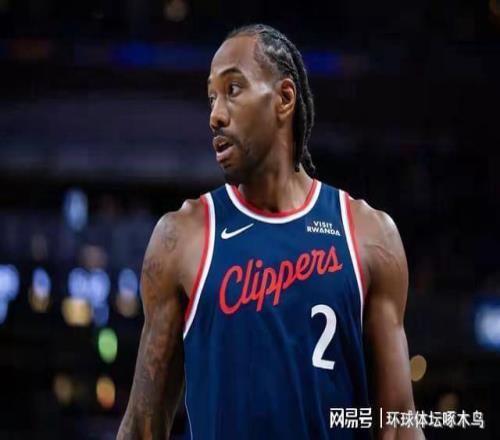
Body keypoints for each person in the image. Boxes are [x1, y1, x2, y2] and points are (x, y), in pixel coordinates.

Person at [117, 24, 424, 440]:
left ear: (284, 98)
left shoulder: (369, 234)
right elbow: (142, 427)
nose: (215, 115)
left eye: (233, 89)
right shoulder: (182, 237)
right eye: (211, 97)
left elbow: (399, 424)